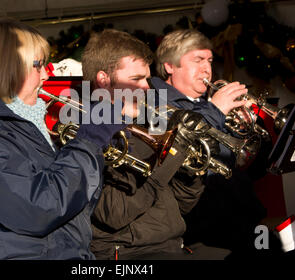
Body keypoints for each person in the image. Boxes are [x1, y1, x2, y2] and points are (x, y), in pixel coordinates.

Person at [0, 18, 127, 260]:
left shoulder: (22, 119)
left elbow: (72, 207)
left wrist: (97, 151)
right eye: (38, 65)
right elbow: (40, 208)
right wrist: (87, 143)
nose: (46, 75)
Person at [81, 28, 231, 260]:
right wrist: (166, 152)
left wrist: (192, 170)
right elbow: (113, 214)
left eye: (146, 78)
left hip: (172, 244)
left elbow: (180, 205)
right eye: (136, 79)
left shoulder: (148, 122)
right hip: (129, 255)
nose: (147, 88)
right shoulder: (86, 134)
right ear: (104, 80)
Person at [152, 29, 283, 259]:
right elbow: (185, 155)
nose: (207, 69)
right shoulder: (156, 103)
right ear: (170, 66)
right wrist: (214, 111)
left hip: (241, 218)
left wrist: (257, 134)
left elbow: (247, 168)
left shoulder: (205, 103)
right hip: (202, 229)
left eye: (210, 60)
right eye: (197, 60)